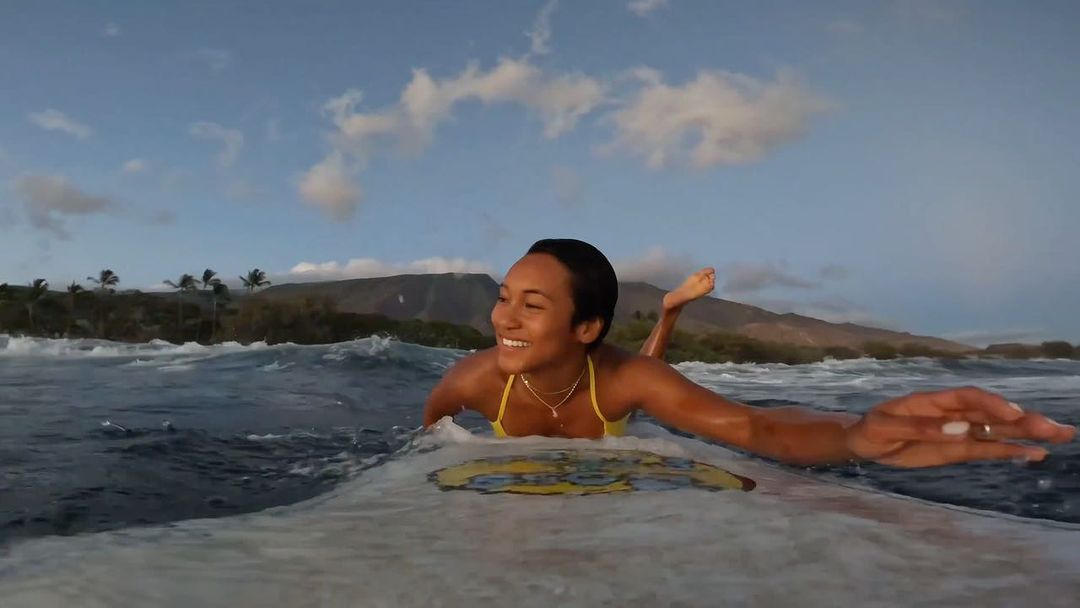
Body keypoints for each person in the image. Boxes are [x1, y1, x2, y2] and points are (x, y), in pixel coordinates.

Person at [423, 239, 1075, 467]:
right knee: (647, 372)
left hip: (615, 408)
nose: (503, 318)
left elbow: (752, 427)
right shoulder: (473, 381)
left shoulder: (624, 381)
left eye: (531, 305)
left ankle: (671, 310)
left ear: (587, 325)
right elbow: (424, 443)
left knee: (645, 380)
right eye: (503, 298)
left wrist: (854, 436)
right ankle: (672, 309)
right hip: (605, 379)